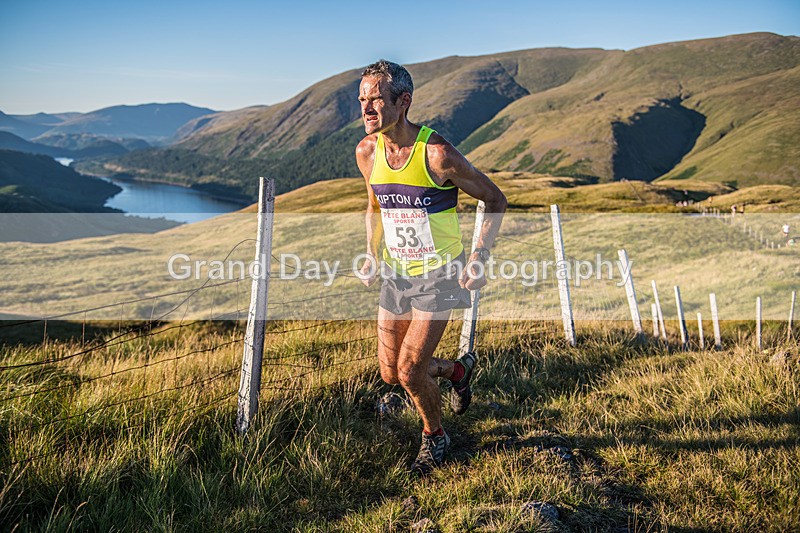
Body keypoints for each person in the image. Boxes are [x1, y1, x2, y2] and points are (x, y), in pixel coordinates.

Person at [355, 60, 507, 475]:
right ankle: (458, 370)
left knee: (409, 370)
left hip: (439, 276)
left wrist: (479, 257)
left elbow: (495, 199)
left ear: (403, 102)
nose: (367, 110)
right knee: (391, 373)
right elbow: (374, 206)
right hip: (396, 275)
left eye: (376, 101)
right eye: (362, 101)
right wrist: (371, 253)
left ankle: (435, 436)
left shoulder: (437, 154)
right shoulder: (367, 152)